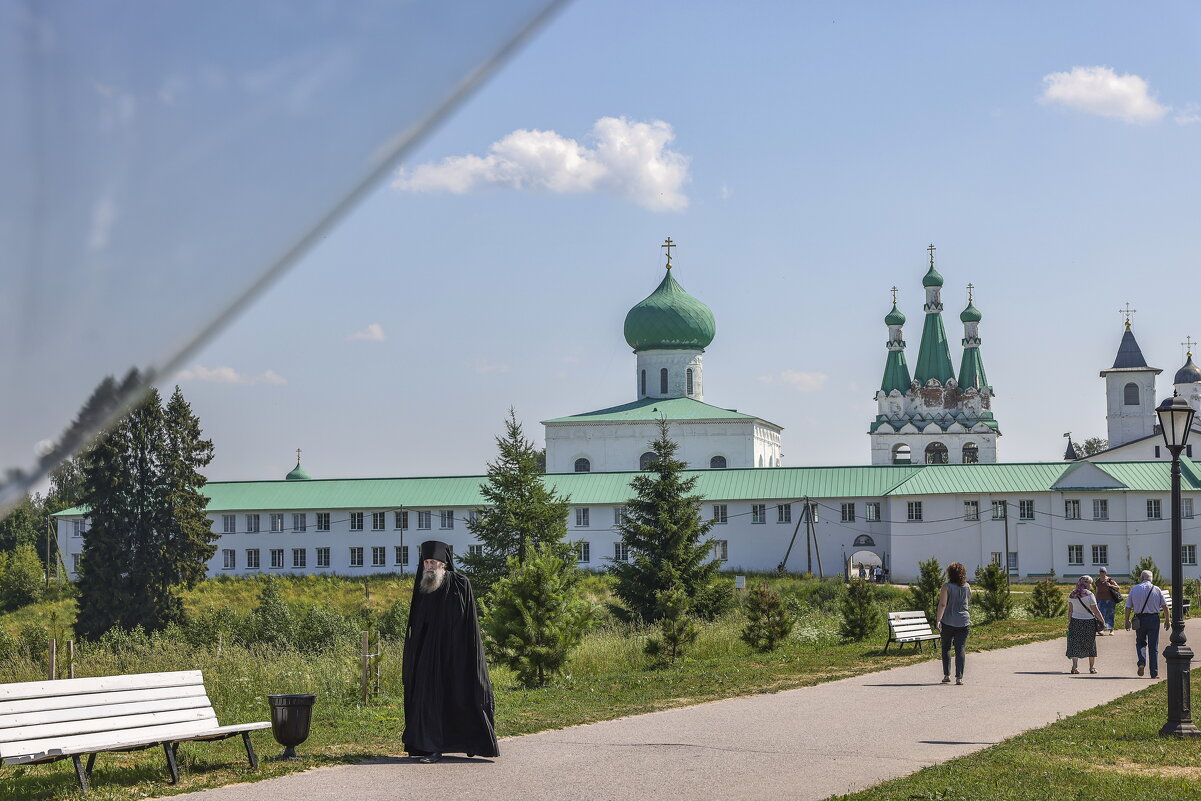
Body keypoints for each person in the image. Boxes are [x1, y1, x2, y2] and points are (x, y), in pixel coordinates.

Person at [402, 540, 499, 763]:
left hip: (456, 652)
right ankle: (432, 747)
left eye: (433, 562)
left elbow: (468, 622)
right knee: (428, 699)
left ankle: (470, 741)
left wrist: (461, 651)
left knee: (462, 693)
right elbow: (416, 623)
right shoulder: (423, 586)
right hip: (428, 655)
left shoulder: (460, 583)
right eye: (426, 562)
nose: (429, 566)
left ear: (443, 564)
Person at [1124, 569, 1169, 679]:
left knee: (1140, 643)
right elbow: (1165, 606)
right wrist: (1167, 619)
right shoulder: (1157, 589)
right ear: (1151, 578)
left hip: (1139, 619)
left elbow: (1128, 607)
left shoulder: (1134, 589)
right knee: (1153, 646)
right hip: (1154, 619)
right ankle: (1154, 673)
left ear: (1141, 578)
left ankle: (1141, 662)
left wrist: (1126, 621)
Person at [935, 561, 971, 685]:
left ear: (950, 573)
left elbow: (943, 604)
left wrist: (938, 620)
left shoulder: (946, 586)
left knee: (946, 648)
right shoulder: (967, 586)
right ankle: (959, 677)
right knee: (960, 648)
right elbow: (968, 600)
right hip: (964, 621)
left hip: (948, 621)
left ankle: (947, 675)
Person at [1065, 575, 1105, 674]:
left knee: (1075, 643)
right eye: (1090, 583)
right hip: (1089, 622)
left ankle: (1074, 666)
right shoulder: (1089, 594)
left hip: (1075, 621)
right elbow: (1095, 610)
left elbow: (1070, 610)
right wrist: (1102, 620)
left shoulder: (1072, 594)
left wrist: (1069, 622)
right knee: (1090, 644)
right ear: (1086, 584)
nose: (1091, 585)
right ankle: (1092, 667)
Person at [1093, 568, 1121, 635]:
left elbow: (1118, 588)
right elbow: (1096, 591)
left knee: (1110, 614)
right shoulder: (1098, 581)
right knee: (1101, 615)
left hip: (1110, 600)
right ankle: (1101, 629)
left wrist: (1110, 585)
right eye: (1100, 572)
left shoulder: (1110, 580)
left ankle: (1111, 630)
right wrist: (1095, 600)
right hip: (1100, 600)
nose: (1102, 573)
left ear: (1105, 572)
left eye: (1103, 572)